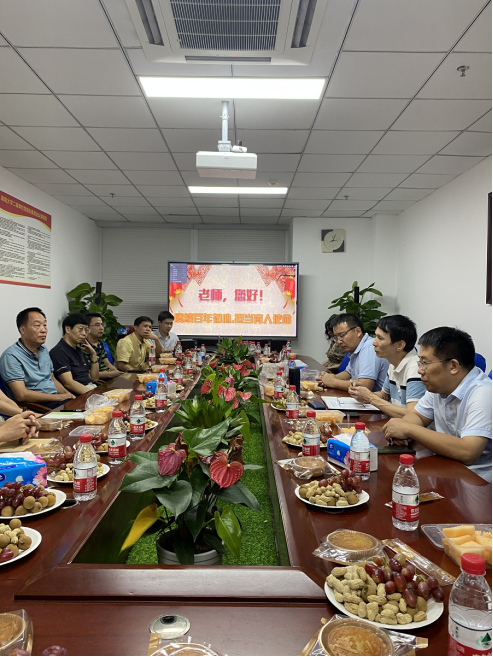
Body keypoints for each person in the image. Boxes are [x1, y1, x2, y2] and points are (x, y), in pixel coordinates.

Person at [384, 327, 492, 483]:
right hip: (444, 470)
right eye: (420, 362)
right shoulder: (439, 386)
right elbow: (417, 416)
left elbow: (468, 452)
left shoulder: (483, 393)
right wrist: (400, 430)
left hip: (476, 483)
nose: (420, 370)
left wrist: (408, 429)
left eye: (425, 363)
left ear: (453, 366)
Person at [348, 315, 427, 418]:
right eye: (375, 337)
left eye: (380, 338)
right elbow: (384, 395)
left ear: (400, 345)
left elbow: (412, 415)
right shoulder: (393, 363)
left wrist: (371, 398)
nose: (374, 343)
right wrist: (362, 394)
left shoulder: (416, 368)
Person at [0, 308, 74, 410]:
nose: (43, 330)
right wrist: (59, 397)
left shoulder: (43, 349)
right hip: (36, 405)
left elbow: (52, 378)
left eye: (45, 325)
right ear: (22, 330)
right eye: (37, 325)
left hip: (55, 399)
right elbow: (21, 395)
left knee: (84, 407)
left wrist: (68, 395)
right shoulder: (11, 356)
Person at [317, 314, 388, 392]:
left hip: (376, 399)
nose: (338, 341)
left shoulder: (369, 347)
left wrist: (333, 382)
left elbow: (365, 386)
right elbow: (348, 373)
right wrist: (327, 378)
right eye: (336, 337)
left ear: (358, 331)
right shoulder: (356, 348)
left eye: (342, 335)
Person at [50, 314, 100, 396]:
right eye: (80, 329)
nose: (84, 333)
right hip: (78, 395)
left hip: (90, 388)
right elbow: (68, 383)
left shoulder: (79, 349)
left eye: (86, 330)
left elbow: (94, 378)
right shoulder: (59, 352)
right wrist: (93, 395)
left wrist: (93, 355)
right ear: (68, 329)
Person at [85, 313, 121, 381]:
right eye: (97, 325)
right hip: (96, 381)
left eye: (102, 325)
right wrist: (111, 374)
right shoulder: (83, 346)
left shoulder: (100, 343)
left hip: (109, 378)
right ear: (87, 328)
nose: (101, 328)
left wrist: (117, 373)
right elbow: (87, 373)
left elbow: (107, 363)